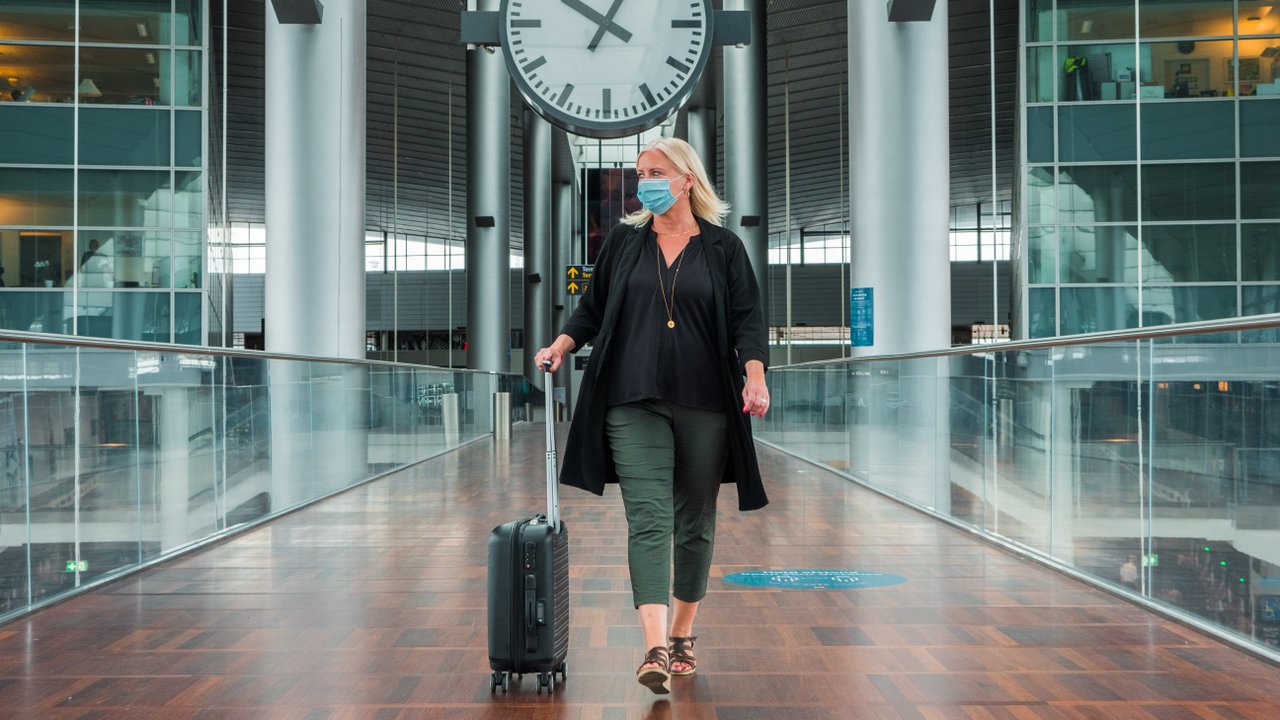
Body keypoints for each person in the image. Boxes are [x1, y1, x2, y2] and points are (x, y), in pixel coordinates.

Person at [534, 137, 770, 695]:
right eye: (641, 172)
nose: (645, 181)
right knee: (648, 519)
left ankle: (684, 634)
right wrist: (561, 344)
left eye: (656, 171)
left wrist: (755, 375)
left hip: (707, 402)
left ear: (687, 180)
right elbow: (592, 308)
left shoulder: (723, 248)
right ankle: (655, 647)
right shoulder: (624, 242)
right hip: (630, 398)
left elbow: (747, 320)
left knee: (694, 523)